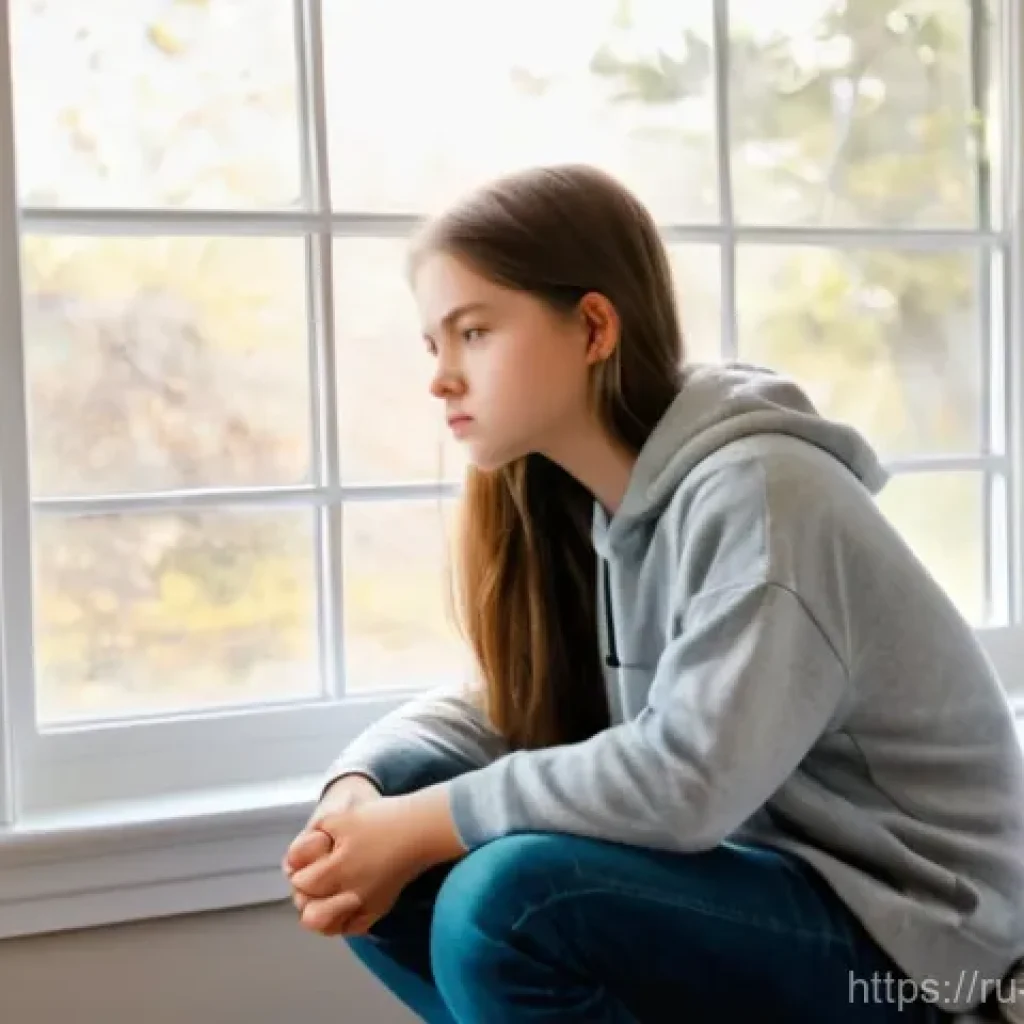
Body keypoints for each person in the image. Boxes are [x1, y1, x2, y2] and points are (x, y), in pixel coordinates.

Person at [282, 164, 1024, 1023]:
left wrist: (425, 824)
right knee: (372, 867)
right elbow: (502, 699)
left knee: (508, 904)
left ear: (594, 326)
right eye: (433, 344)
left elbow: (687, 777)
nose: (441, 377)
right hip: (771, 886)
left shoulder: (763, 494)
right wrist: (361, 795)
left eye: (474, 332)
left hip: (925, 946)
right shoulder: (592, 506)